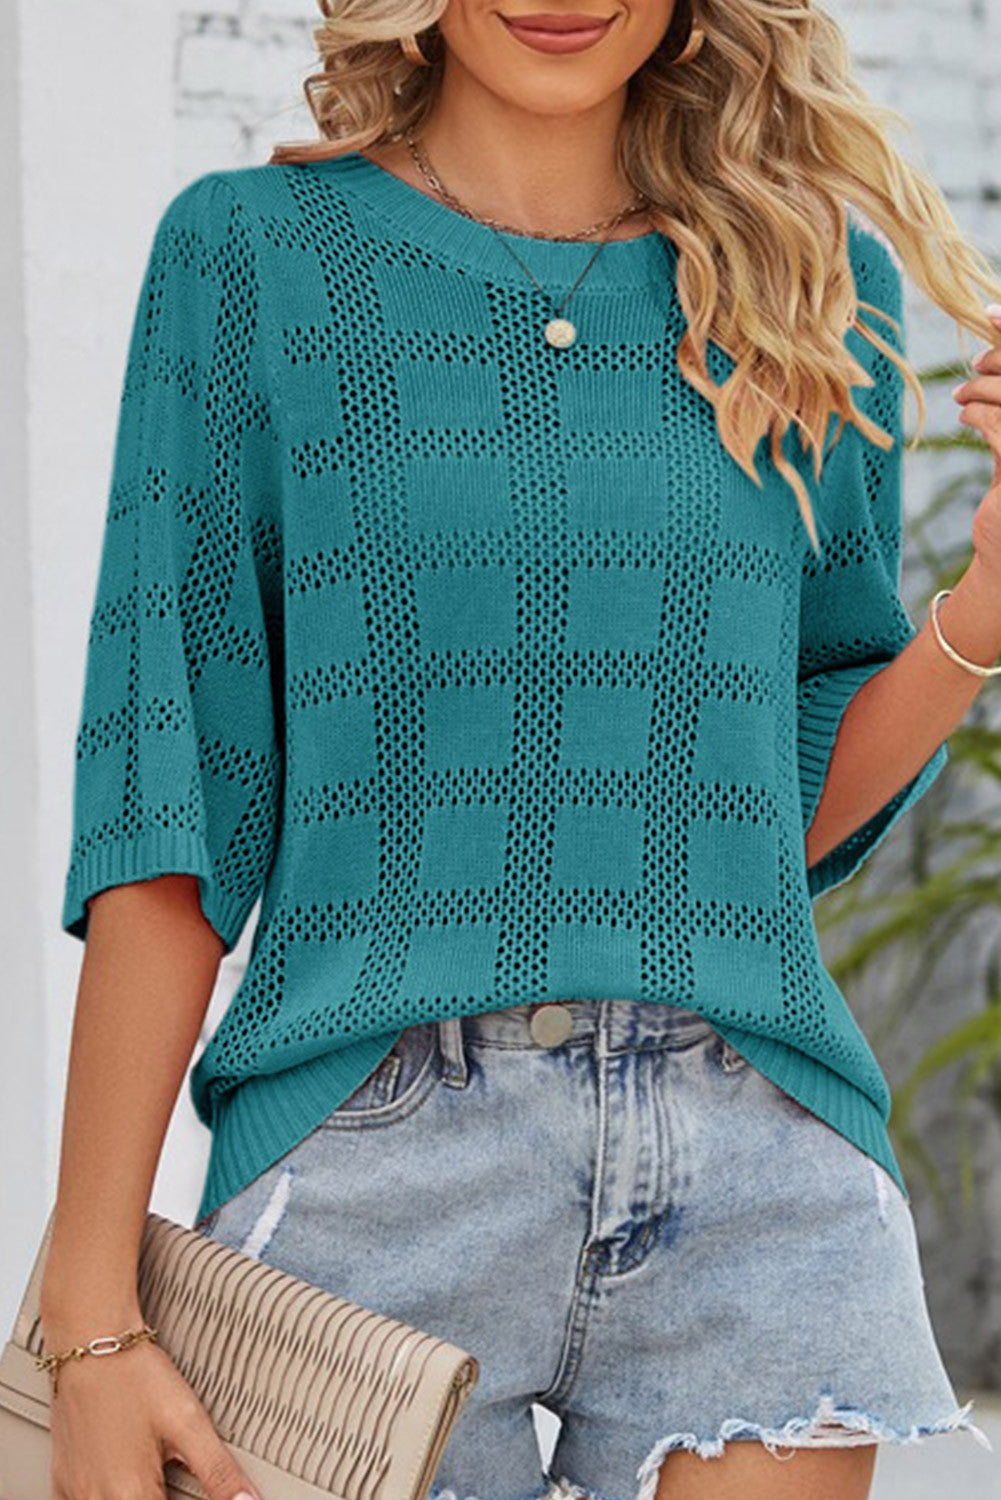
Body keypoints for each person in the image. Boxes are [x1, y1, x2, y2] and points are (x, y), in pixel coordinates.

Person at [38, 3, 1001, 1499]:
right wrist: (89, 1321)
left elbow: (767, 824)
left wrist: (984, 609)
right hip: (375, 1157)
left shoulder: (808, 285)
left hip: (754, 1146)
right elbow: (171, 806)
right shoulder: (250, 260)